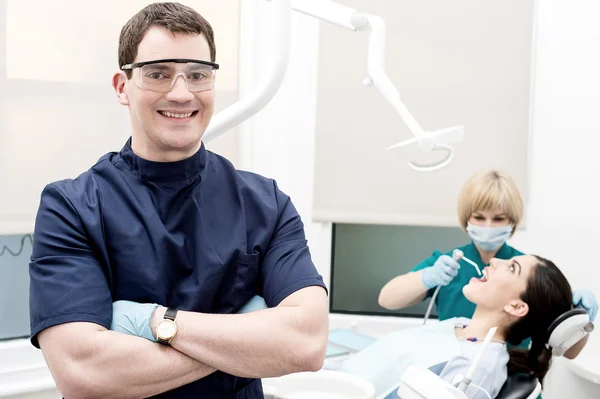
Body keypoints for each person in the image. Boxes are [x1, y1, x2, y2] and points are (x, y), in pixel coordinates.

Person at [28, 3, 328, 398]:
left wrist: (154, 322)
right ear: (122, 86)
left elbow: (306, 343)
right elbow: (83, 372)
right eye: (158, 74)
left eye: (198, 75)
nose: (182, 93)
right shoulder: (72, 207)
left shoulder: (265, 203)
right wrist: (249, 334)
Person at [378, 169, 597, 358]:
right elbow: (387, 299)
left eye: (499, 219)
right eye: (479, 217)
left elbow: (569, 351)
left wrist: (579, 320)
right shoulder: (447, 264)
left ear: (512, 221)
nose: (489, 225)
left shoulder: (528, 276)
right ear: (466, 218)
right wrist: (426, 278)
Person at [342, 255, 583, 399]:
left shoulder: (473, 369)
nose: (494, 261)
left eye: (511, 268)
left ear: (517, 307)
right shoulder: (462, 326)